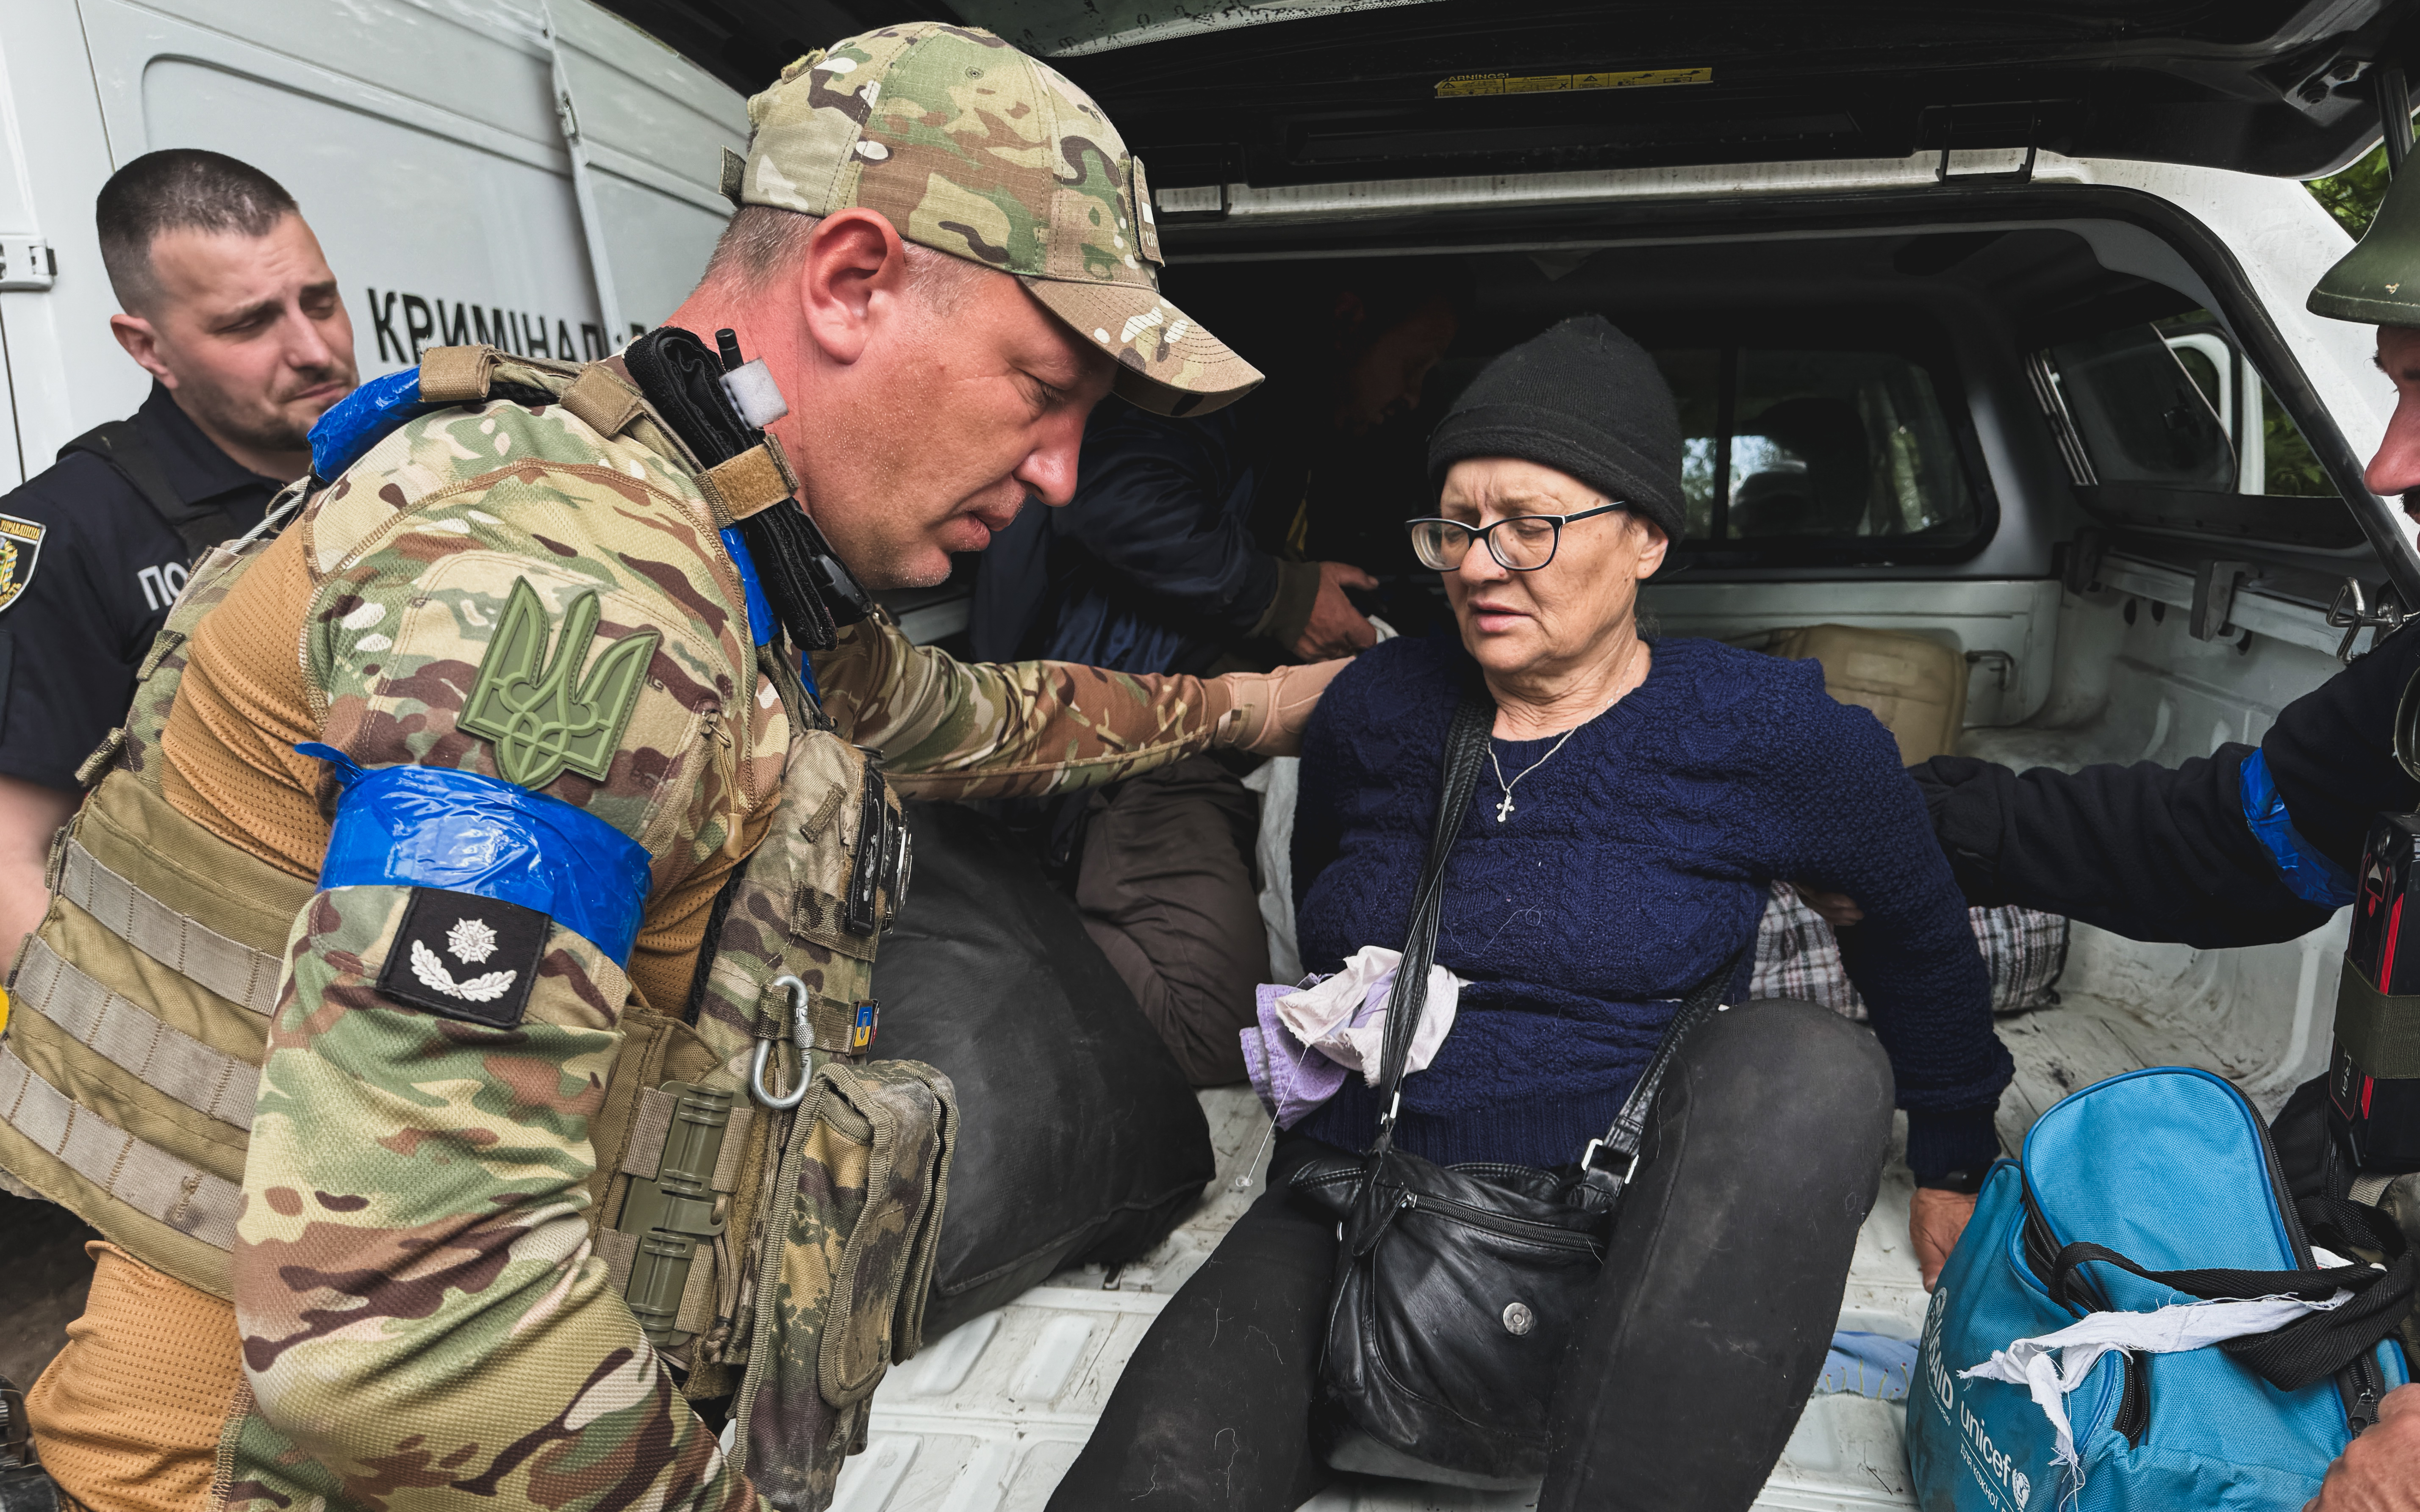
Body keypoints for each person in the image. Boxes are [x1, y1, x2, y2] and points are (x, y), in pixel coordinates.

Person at [0, 25, 1343, 1511]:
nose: (1061, 478)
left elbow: (967, 717)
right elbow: (409, 1317)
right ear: (850, 281)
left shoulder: (711, 533)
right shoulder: (575, 584)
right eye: (1042, 388)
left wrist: (1254, 705)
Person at [1046, 315, 2014, 1512]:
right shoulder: (1383, 708)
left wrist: (1955, 1159)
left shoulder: (1774, 735)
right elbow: (1340, 913)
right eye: (1456, 526)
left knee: (1809, 1064)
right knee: (1146, 1483)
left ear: (1648, 538)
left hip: (1630, 1236)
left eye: (1531, 527)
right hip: (1359, 1197)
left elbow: (1912, 930)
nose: (1479, 563)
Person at [968, 268, 1460, 1085]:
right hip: (1140, 752)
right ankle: (1003, 943)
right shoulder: (1219, 403)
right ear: (1349, 317)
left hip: (1214, 742)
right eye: (1415, 362)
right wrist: (1283, 595)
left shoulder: (1291, 447)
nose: (1413, 395)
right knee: (1218, 1029)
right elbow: (1112, 499)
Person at [0, 149, 356, 967]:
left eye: (322, 301)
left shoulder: (402, 472)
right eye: (250, 322)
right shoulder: (67, 531)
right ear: (147, 347)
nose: (313, 349)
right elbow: (11, 858)